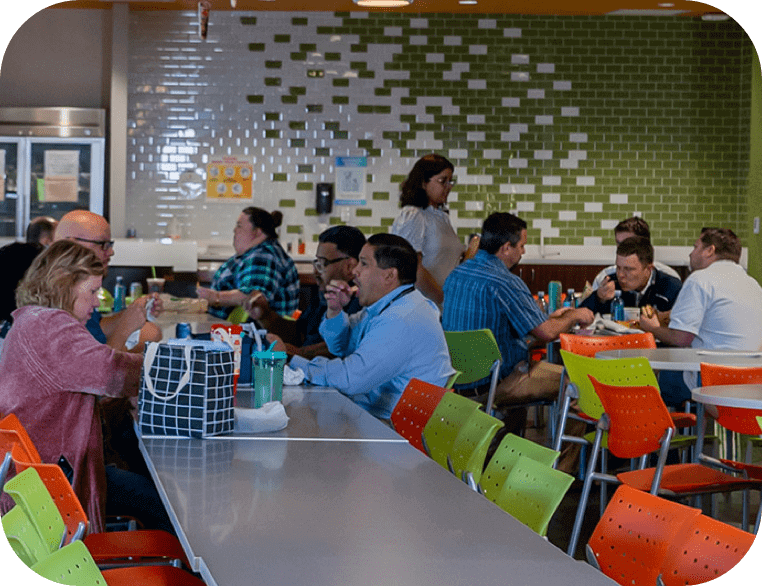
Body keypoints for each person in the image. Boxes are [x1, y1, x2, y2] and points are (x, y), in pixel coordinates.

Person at [0, 241, 172, 534]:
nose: (97, 302)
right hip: (57, 484)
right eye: (92, 292)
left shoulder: (31, 320)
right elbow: (112, 373)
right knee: (165, 502)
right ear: (64, 286)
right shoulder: (51, 326)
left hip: (35, 480)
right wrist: (173, 365)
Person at [286, 233, 455, 421]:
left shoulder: (401, 319)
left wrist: (294, 361)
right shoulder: (389, 305)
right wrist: (335, 310)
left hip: (395, 428)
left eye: (364, 264)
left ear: (389, 275)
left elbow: (351, 379)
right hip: (376, 414)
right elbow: (341, 346)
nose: (355, 271)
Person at [442, 212, 594, 411]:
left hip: (458, 384)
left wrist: (550, 319)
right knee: (580, 381)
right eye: (521, 245)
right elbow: (546, 333)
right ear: (506, 248)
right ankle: (568, 443)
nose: (523, 252)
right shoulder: (504, 281)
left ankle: (505, 436)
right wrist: (574, 315)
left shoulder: (457, 274)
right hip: (499, 383)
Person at [639, 227, 762, 406]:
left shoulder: (701, 279)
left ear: (710, 250)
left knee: (650, 378)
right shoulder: (753, 284)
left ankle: (666, 431)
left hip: (713, 380)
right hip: (752, 382)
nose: (690, 254)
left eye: (695, 247)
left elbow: (681, 338)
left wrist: (652, 328)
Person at [245, 225, 365, 359]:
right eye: (316, 263)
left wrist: (298, 353)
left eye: (323, 264)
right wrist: (265, 315)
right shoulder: (324, 296)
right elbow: (299, 334)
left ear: (349, 267)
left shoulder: (361, 302)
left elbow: (344, 345)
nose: (316, 272)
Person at [54, 210, 162, 352]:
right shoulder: (56, 298)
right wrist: (124, 329)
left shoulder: (71, 287)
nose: (111, 252)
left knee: (151, 332)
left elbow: (97, 329)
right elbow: (96, 369)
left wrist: (135, 312)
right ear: (70, 244)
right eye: (102, 244)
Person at [197, 207, 299, 320]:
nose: (235, 230)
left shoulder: (263, 255)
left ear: (257, 232)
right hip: (232, 331)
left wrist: (215, 297)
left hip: (250, 335)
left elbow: (253, 297)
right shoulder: (257, 252)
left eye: (239, 226)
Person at [391, 154, 465, 305]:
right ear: (423, 183)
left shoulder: (440, 217)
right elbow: (413, 270)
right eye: (442, 181)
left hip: (440, 305)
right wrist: (442, 300)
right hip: (420, 306)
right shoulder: (413, 215)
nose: (448, 186)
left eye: (450, 181)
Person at [579, 236, 682, 315]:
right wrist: (598, 298)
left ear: (649, 268)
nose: (620, 275)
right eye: (618, 267)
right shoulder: (611, 282)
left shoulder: (671, 287)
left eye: (628, 269)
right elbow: (579, 317)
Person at [591, 216, 681, 290]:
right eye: (618, 243)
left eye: (629, 244)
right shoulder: (604, 278)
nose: (621, 248)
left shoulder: (670, 279)